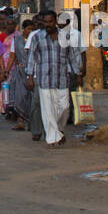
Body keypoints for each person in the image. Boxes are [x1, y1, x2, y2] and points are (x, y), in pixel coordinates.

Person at [26, 10, 82, 147]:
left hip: (62, 78)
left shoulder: (65, 36)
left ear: (55, 21)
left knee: (64, 108)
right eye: (45, 22)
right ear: (42, 22)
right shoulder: (37, 37)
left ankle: (59, 131)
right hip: (44, 79)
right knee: (48, 111)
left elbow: (72, 57)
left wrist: (78, 74)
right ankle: (52, 138)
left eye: (51, 21)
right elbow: (31, 58)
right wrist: (30, 76)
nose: (48, 24)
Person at [7, 17, 33, 131]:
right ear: (23, 29)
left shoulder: (35, 39)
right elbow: (12, 56)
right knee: (20, 96)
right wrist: (7, 71)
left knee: (31, 97)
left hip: (33, 71)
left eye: (32, 29)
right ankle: (21, 121)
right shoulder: (16, 39)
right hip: (20, 71)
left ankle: (32, 122)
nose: (30, 31)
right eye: (28, 29)